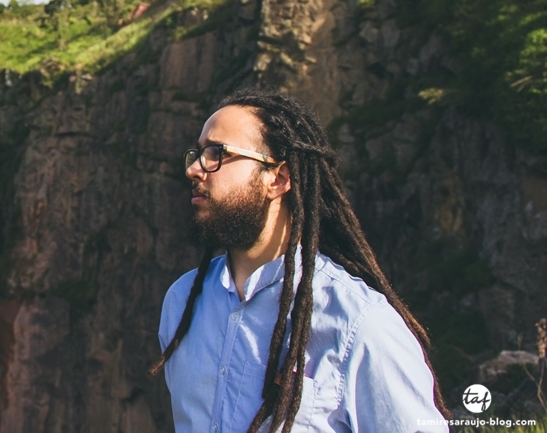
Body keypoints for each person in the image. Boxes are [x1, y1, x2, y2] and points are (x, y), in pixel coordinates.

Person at [154, 88, 450, 433]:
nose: (194, 168)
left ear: (277, 179)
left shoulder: (358, 323)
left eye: (216, 153)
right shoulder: (182, 303)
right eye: (197, 153)